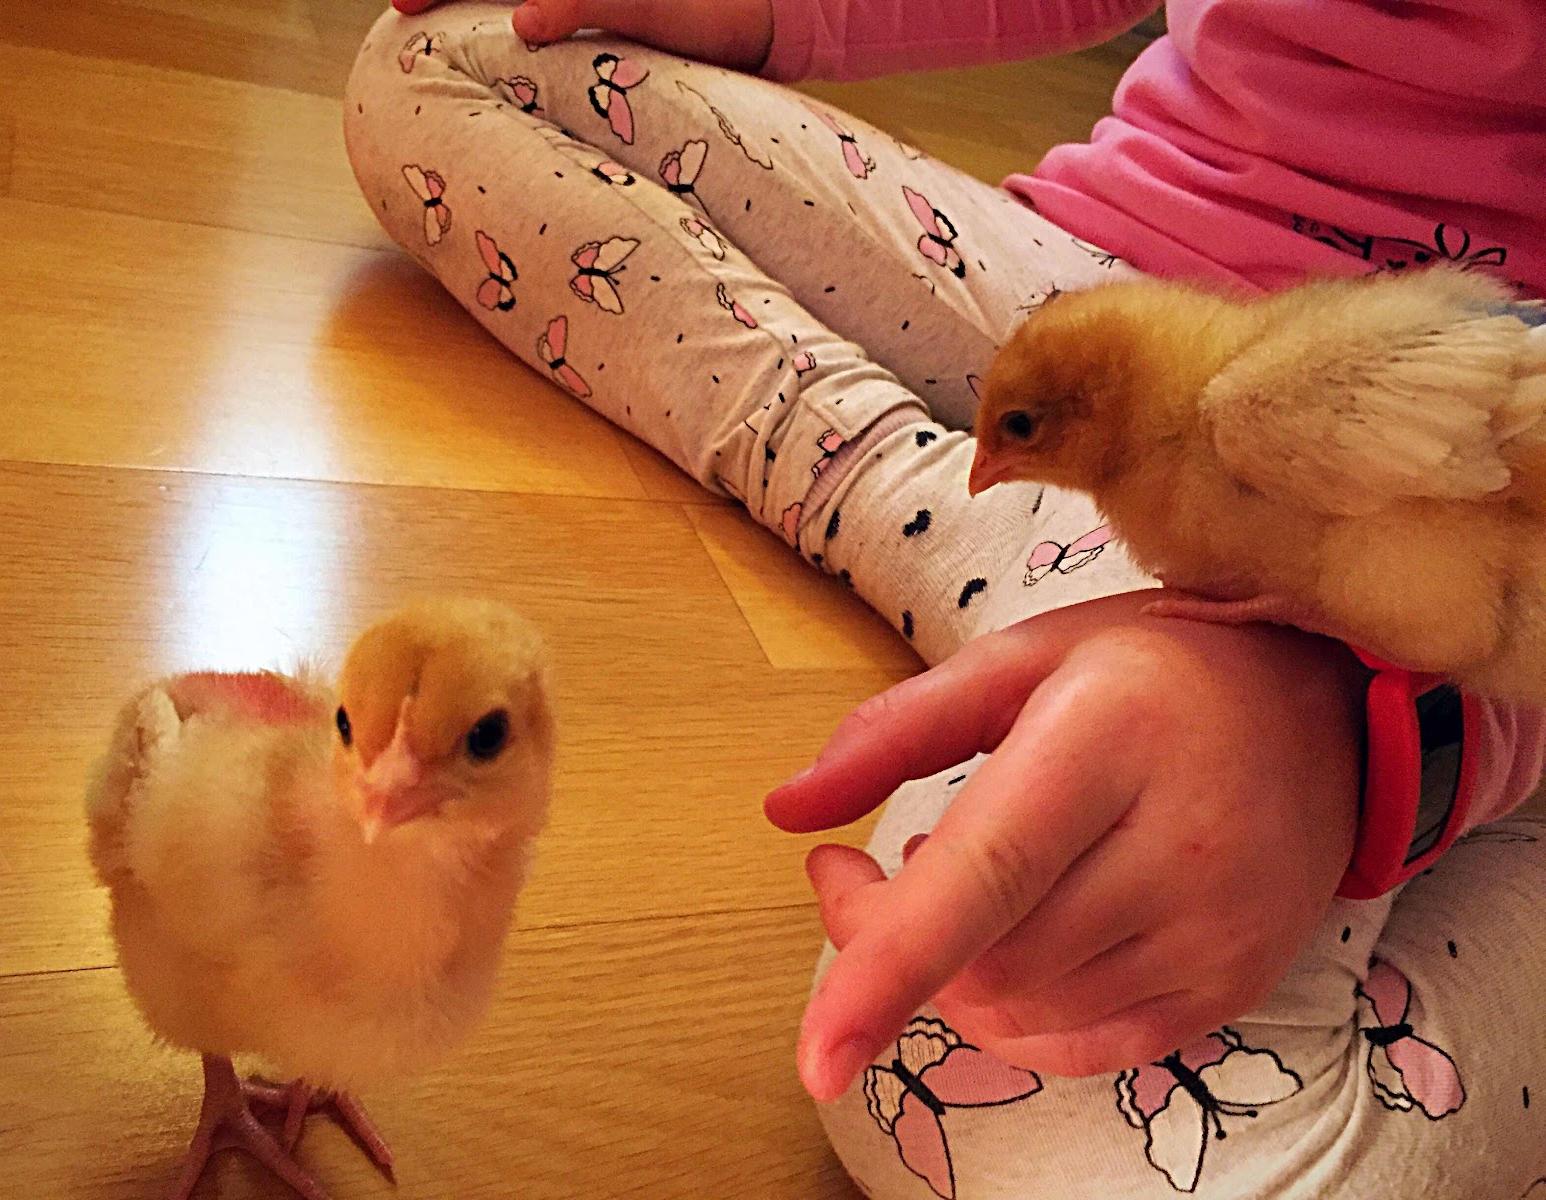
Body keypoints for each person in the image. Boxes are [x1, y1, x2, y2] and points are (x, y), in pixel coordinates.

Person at [345, 1, 1546, 1193]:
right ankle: (957, 518)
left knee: (970, 1067)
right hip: (1080, 274)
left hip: (1447, 486)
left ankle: (964, 526)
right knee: (454, 57)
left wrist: (1377, 720)